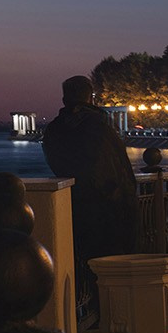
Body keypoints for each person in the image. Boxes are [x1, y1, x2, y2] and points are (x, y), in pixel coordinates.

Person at [41, 75, 139, 313]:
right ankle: (116, 318)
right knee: (113, 266)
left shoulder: (54, 129)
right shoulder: (99, 125)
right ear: (90, 96)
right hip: (108, 209)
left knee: (83, 266)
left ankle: (84, 316)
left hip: (72, 207)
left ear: (65, 98)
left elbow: (56, 161)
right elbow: (115, 167)